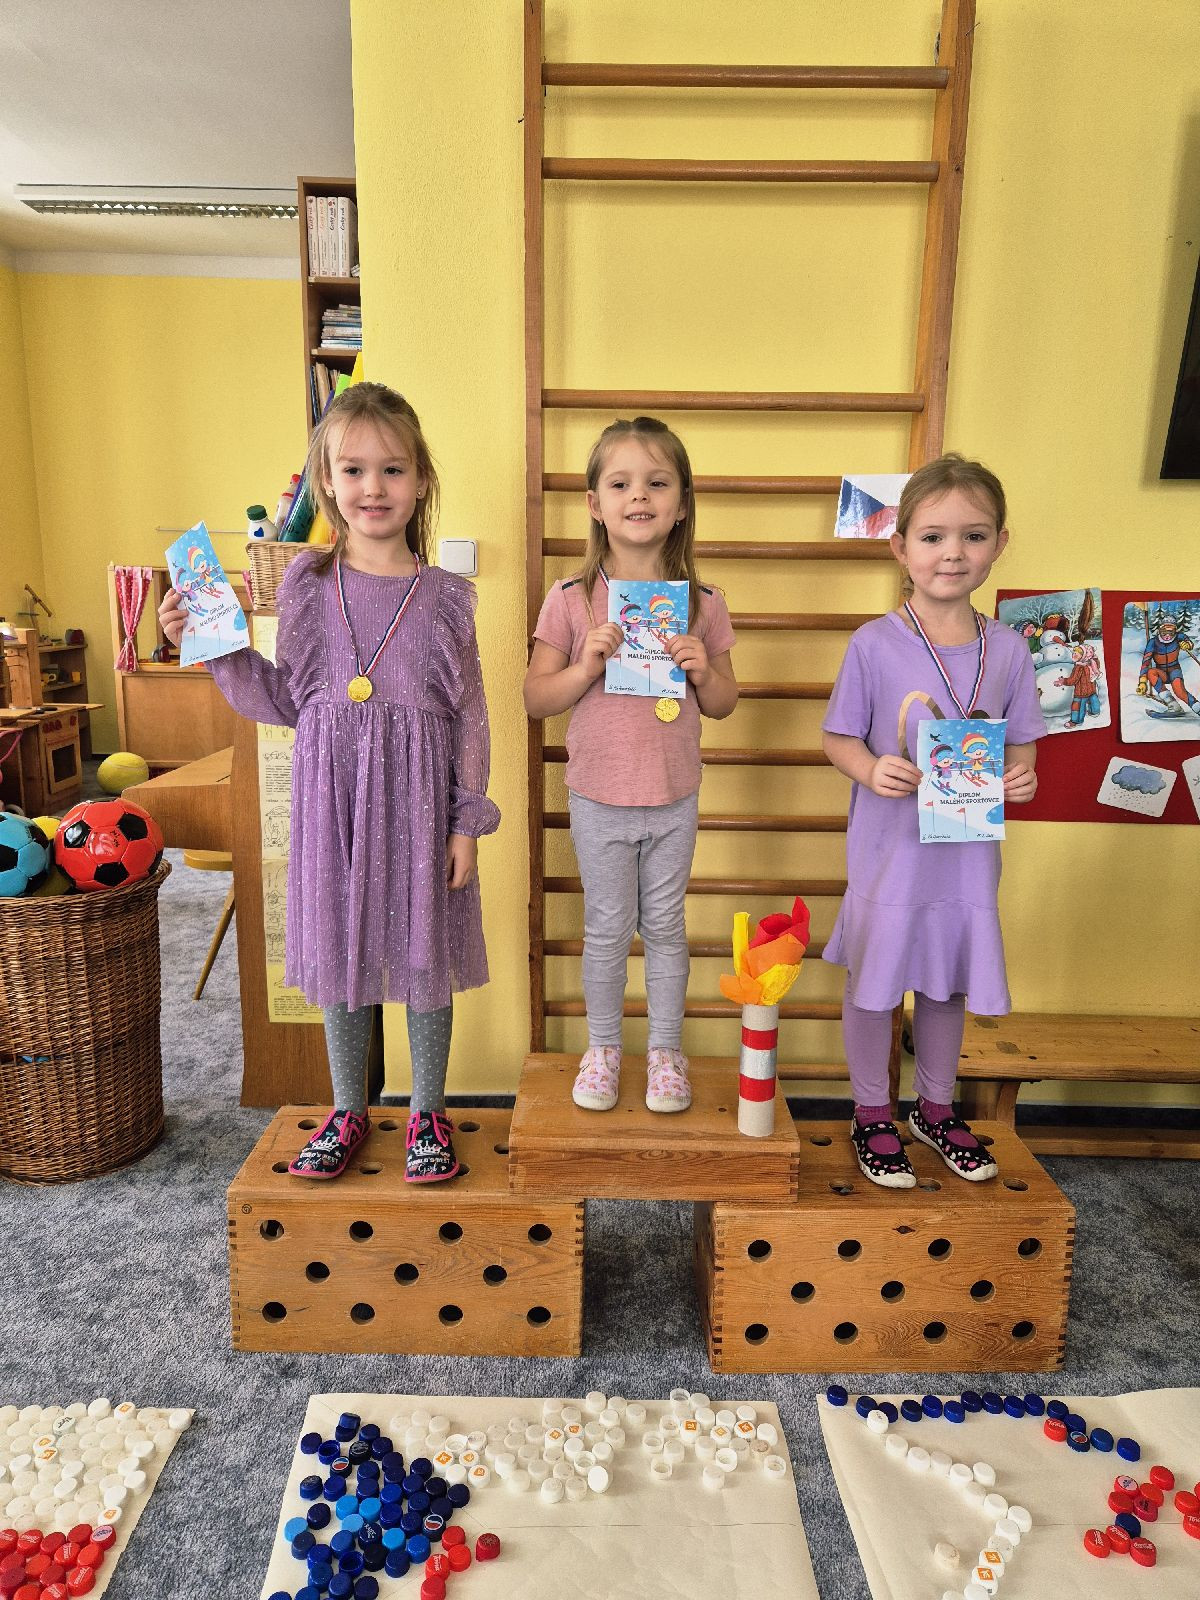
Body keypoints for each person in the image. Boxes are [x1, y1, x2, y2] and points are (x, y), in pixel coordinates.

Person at [158, 384, 499, 1182]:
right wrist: (211, 644)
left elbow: (471, 718)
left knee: (424, 952)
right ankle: (349, 1110)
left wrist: (465, 823)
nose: (372, 487)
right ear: (326, 481)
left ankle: (427, 1114)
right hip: (332, 803)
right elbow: (288, 698)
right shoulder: (307, 584)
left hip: (420, 805)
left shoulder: (447, 598)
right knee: (341, 949)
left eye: (392, 469)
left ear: (421, 480)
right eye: (353, 469)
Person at [821, 453, 1044, 1187]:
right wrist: (869, 770)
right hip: (890, 856)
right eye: (933, 536)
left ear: (999, 544)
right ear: (900, 547)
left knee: (947, 985)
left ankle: (936, 1109)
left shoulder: (1009, 649)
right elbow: (838, 739)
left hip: (966, 860)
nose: (953, 553)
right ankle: (871, 1114)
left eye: (973, 536)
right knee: (875, 984)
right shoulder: (873, 642)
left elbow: (1022, 746)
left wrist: (1021, 776)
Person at [524, 417, 738, 1113]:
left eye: (656, 483)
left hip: (674, 797)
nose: (639, 496)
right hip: (599, 797)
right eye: (620, 484)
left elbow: (725, 703)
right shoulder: (569, 599)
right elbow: (535, 698)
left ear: (682, 504)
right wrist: (584, 666)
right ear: (594, 503)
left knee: (667, 926)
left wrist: (704, 671)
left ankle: (667, 1051)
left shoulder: (704, 603)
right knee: (608, 930)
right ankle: (604, 1048)